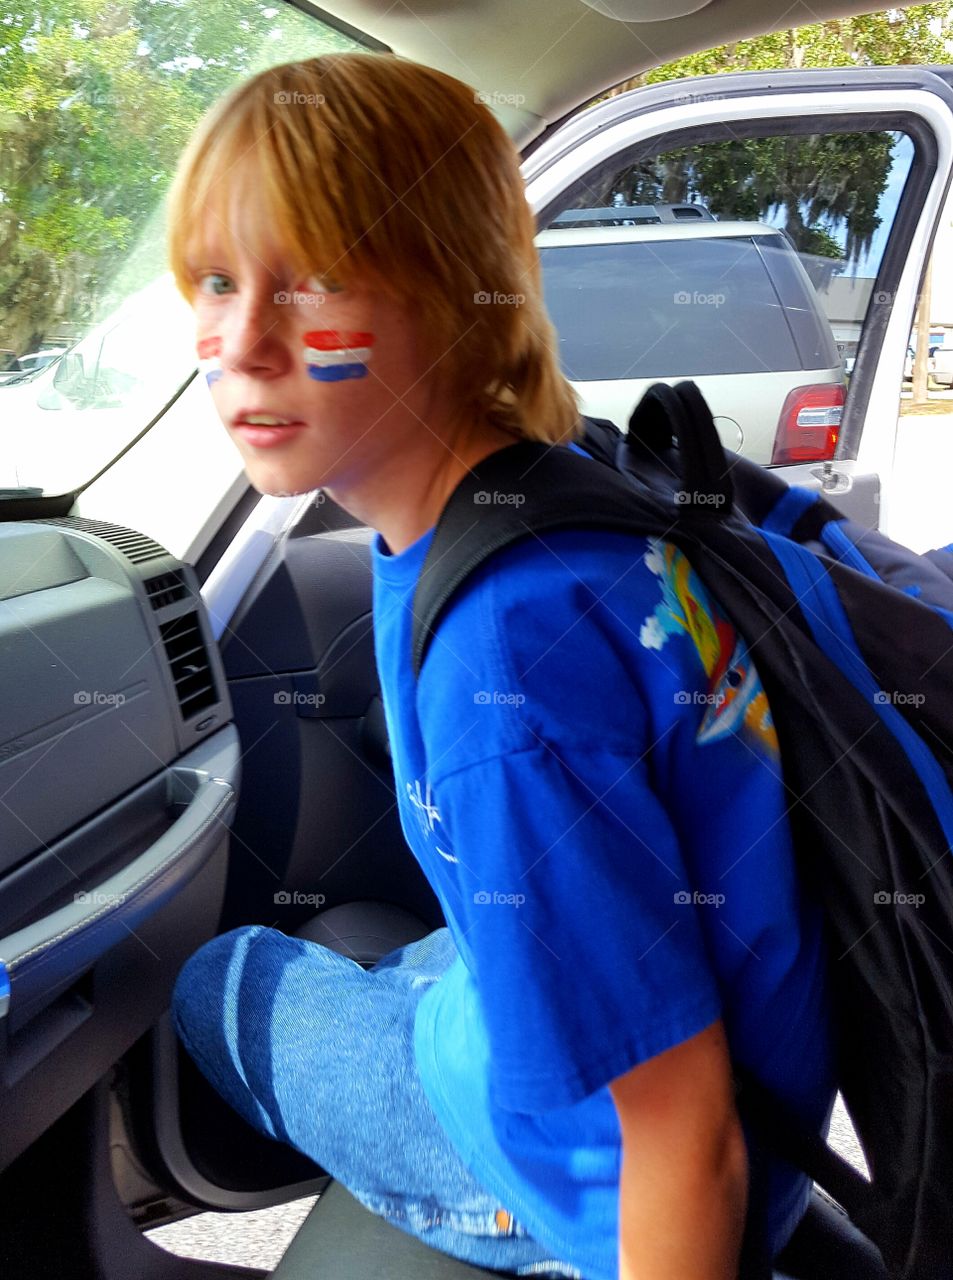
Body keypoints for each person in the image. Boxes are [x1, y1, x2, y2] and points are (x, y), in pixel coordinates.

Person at [167, 52, 837, 1280]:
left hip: (570, 1175)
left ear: (459, 296)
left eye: (314, 280)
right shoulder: (565, 479)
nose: (242, 341)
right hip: (715, 1067)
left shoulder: (506, 660)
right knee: (414, 956)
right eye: (216, 279)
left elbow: (681, 1140)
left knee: (221, 975)